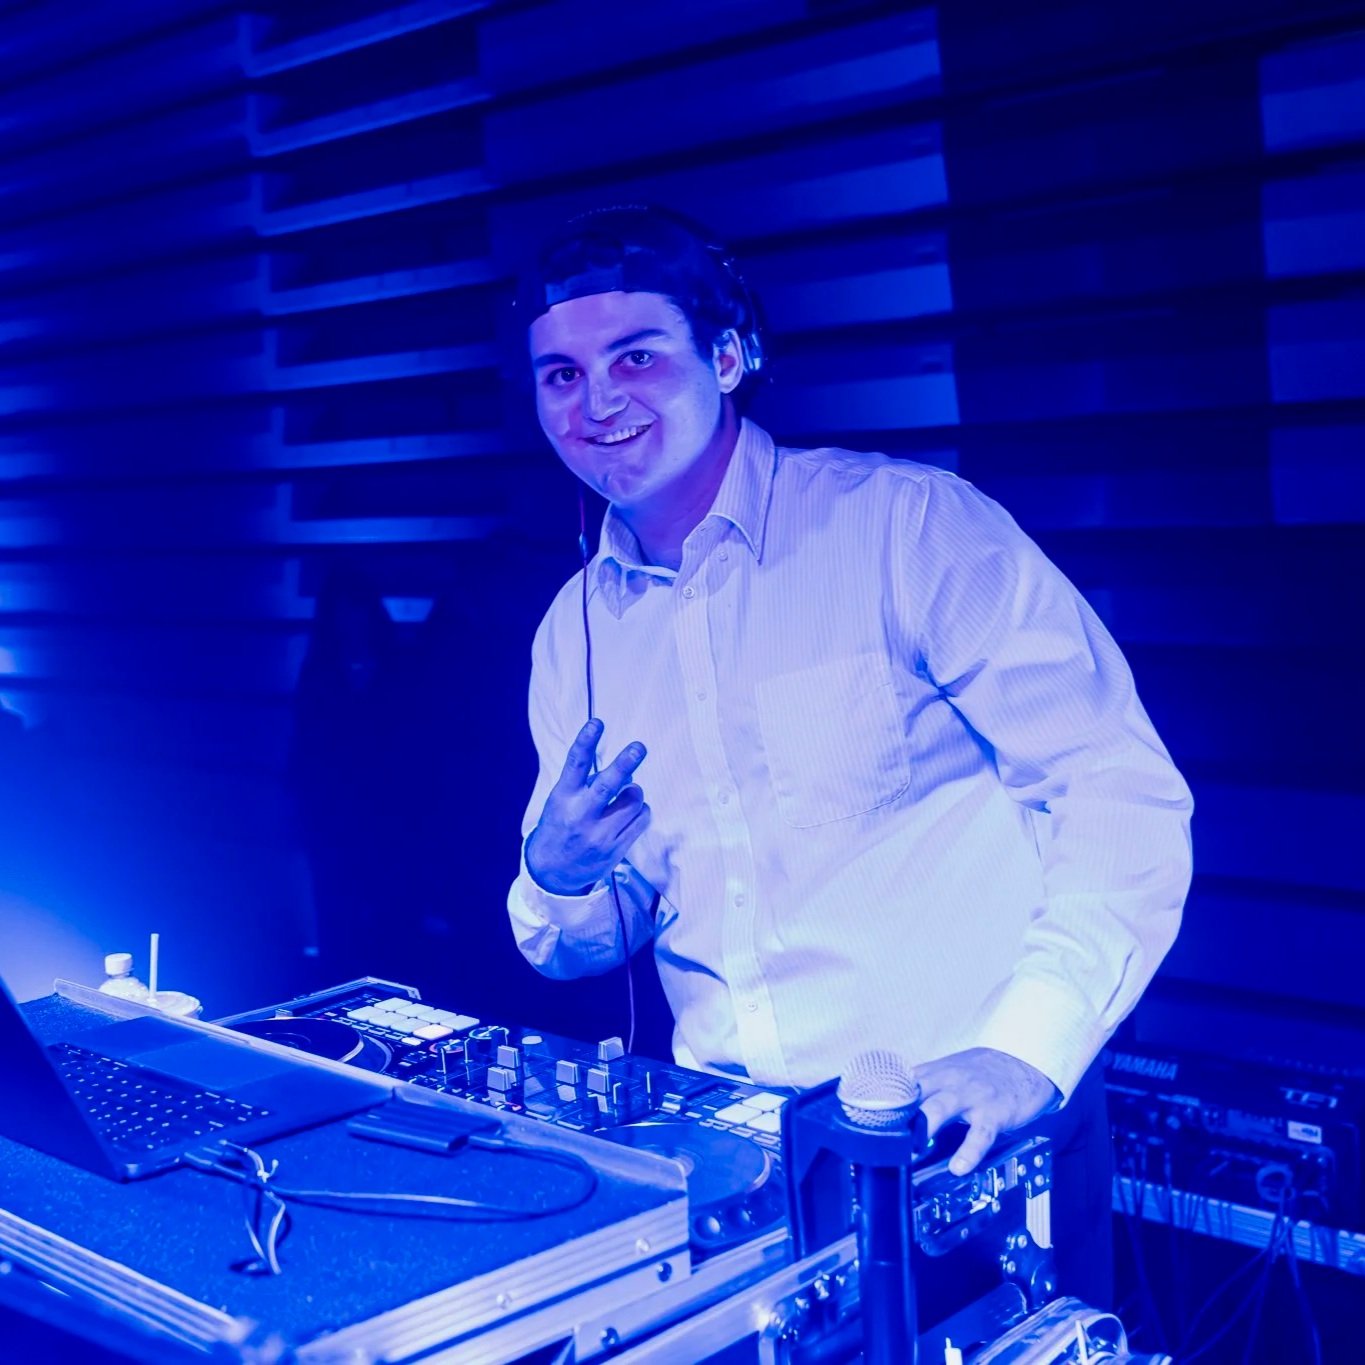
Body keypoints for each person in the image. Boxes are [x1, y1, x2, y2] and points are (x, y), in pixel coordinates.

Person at [504, 205, 1193, 1307]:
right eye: (561, 376)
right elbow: (592, 937)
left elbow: (1115, 790)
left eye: (636, 357)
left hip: (966, 1122)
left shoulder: (910, 529)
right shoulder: (569, 633)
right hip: (739, 1155)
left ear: (731, 356)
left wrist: (1029, 1049)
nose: (598, 404)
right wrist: (561, 873)